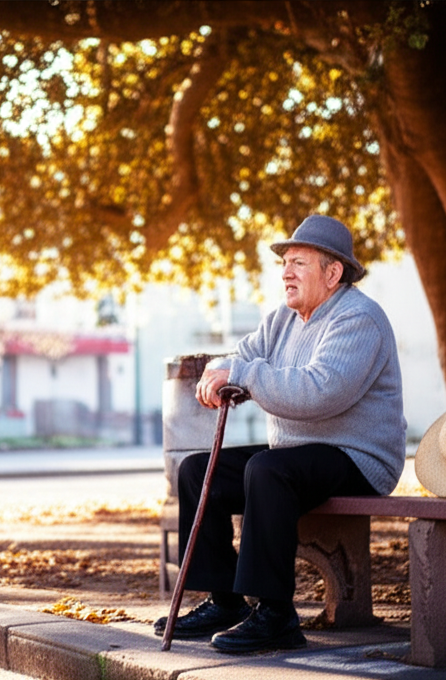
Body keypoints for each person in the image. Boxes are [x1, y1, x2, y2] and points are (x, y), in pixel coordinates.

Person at [154, 214, 406, 654]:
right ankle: (224, 601)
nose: (286, 273)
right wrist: (219, 373)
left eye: (299, 263)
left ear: (333, 273)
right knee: (196, 471)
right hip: (296, 454)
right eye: (284, 263)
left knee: (267, 470)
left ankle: (275, 615)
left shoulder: (358, 317)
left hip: (358, 458)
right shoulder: (282, 320)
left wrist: (244, 375)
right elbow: (238, 357)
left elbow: (321, 391)